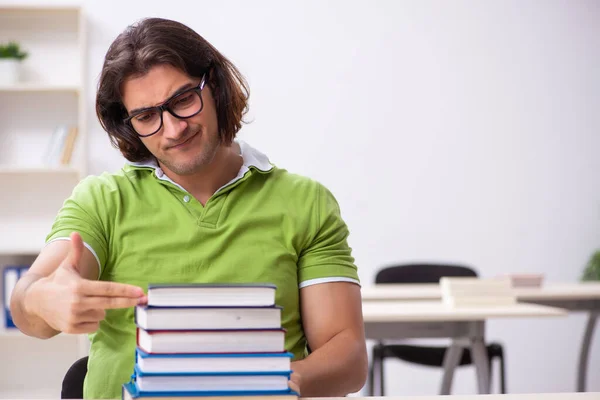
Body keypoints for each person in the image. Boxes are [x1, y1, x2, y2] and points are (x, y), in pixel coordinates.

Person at [9, 17, 367, 399]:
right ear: (129, 126)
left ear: (214, 86)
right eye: (147, 116)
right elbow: (26, 302)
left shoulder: (304, 202)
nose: (173, 129)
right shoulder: (102, 199)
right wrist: (41, 301)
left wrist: (274, 382)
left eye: (182, 100)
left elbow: (347, 357)